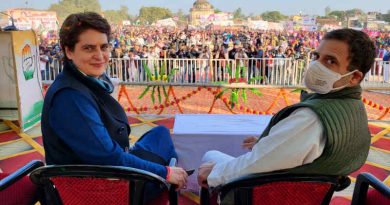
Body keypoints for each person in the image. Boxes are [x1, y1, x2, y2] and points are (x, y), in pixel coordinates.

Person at [198, 29, 376, 195]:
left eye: (330, 61)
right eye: (316, 56)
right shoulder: (355, 108)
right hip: (308, 195)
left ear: (354, 77)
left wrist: (215, 174)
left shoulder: (311, 118)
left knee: (210, 157)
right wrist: (266, 142)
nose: (316, 65)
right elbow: (296, 150)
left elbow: (259, 162)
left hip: (270, 193)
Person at [41, 12, 187, 202]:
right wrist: (165, 172)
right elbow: (110, 158)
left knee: (160, 133)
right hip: (101, 192)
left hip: (105, 174)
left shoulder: (81, 83)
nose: (99, 56)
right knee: (168, 159)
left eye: (104, 47)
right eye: (88, 48)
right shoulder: (70, 97)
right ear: (69, 51)